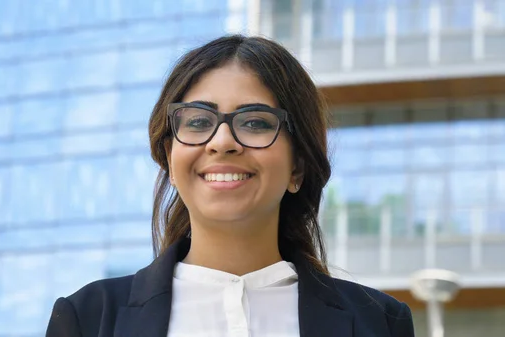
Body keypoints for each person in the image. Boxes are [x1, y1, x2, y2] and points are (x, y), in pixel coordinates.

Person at [46, 35, 415, 337]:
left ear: (297, 168)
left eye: (255, 123)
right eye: (197, 121)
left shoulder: (380, 323)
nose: (221, 141)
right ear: (170, 161)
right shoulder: (88, 318)